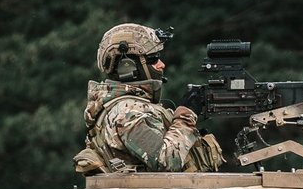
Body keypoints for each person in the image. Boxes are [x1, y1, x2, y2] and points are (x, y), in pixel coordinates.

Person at [76, 24, 223, 175]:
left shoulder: (125, 106)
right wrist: (186, 116)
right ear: (128, 66)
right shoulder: (127, 112)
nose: (161, 65)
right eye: (153, 59)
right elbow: (165, 162)